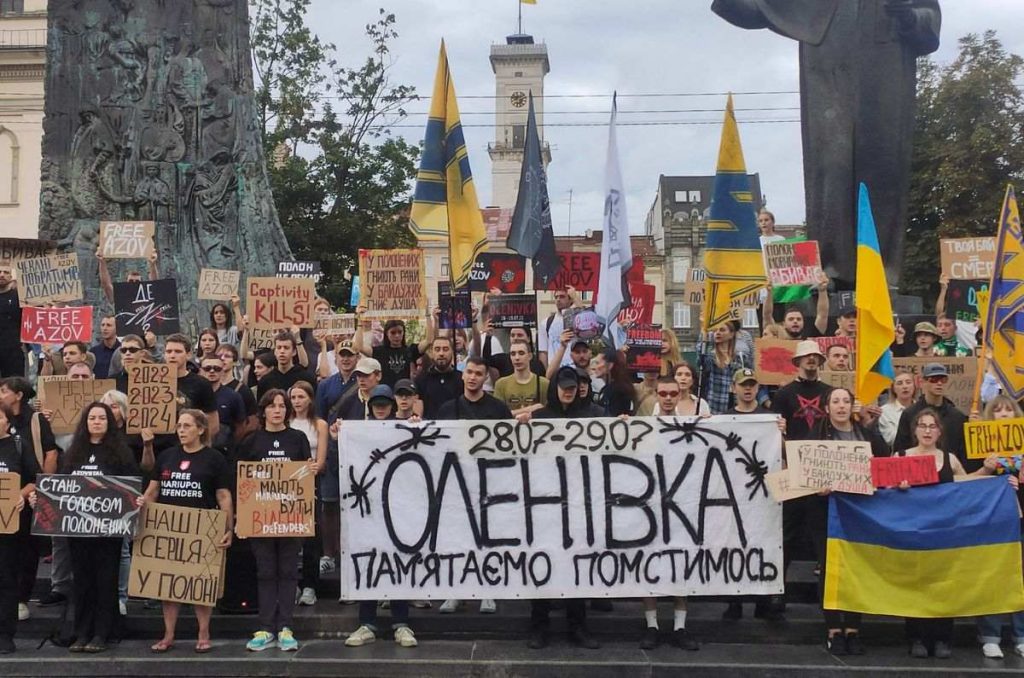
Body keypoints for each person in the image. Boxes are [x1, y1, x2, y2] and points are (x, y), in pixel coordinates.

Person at [36, 402, 139, 653]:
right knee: (81, 581)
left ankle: (102, 633)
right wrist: (40, 498)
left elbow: (132, 485)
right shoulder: (74, 452)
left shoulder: (121, 453)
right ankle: (81, 632)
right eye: (92, 418)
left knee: (106, 581)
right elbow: (60, 487)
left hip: (108, 532)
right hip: (78, 531)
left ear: (109, 423)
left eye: (101, 418)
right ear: (85, 422)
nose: (96, 422)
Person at [139, 410, 233, 654]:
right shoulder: (167, 456)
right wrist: (139, 512)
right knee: (168, 586)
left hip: (202, 529)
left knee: (200, 585)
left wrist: (228, 527)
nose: (181, 430)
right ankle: (168, 634)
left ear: (201, 430)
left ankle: (203, 633)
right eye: (179, 426)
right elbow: (152, 491)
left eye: (187, 426)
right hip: (168, 529)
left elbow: (224, 496)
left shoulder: (214, 459)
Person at [525, 366, 600, 650]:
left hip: (580, 506)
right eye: (564, 386)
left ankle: (577, 626)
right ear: (555, 387)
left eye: (573, 386)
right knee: (541, 566)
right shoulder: (540, 418)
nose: (568, 391)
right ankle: (538, 625)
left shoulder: (593, 417)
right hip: (545, 506)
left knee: (575, 568)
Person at [809, 388, 887, 655]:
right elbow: (802, 473)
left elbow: (883, 464)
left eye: (846, 401)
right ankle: (832, 629)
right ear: (826, 407)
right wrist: (816, 486)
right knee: (830, 570)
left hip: (859, 512)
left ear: (852, 406)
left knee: (857, 569)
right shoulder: (816, 435)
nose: (841, 406)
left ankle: (853, 628)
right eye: (835, 401)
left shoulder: (865, 434)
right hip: (825, 513)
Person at [344, 384, 419, 649]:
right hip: (368, 509)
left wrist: (417, 426)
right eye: (376, 402)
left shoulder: (405, 427)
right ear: (370, 405)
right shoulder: (358, 431)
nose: (380, 407)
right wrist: (338, 434)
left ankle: (401, 623)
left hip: (398, 508)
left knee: (398, 561)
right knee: (369, 562)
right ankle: (367, 623)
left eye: (384, 403)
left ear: (392, 405)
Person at [239, 390, 313, 652]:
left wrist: (311, 470)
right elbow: (242, 481)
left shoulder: (298, 438)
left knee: (289, 572)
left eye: (282, 406)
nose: (278, 410)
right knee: (266, 572)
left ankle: (285, 627)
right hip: (261, 518)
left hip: (291, 517)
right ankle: (266, 627)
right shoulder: (251, 441)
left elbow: (306, 473)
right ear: (264, 411)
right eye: (272, 406)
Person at [437, 358, 512, 614]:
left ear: (484, 378)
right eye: (469, 372)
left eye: (478, 373)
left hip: (489, 485)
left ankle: (487, 589)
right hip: (456, 485)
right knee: (457, 539)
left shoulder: (498, 409)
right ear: (462, 375)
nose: (472, 377)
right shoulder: (447, 408)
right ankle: (455, 591)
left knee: (487, 539)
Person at [893, 409, 970, 659]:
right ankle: (916, 637)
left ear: (939, 431)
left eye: (932, 426)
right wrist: (896, 487)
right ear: (914, 430)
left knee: (944, 586)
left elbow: (968, 490)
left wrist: (992, 474)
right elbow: (881, 491)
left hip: (944, 534)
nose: (927, 430)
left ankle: (942, 638)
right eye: (922, 426)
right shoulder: (900, 457)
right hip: (912, 533)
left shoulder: (951, 460)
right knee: (914, 585)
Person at [638, 376, 699, 651]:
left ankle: (680, 627)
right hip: (649, 507)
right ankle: (651, 626)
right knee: (649, 566)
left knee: (681, 566)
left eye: (673, 393)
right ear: (657, 395)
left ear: (679, 394)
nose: (668, 398)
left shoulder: (692, 425)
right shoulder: (642, 426)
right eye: (663, 393)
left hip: (681, 507)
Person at [722, 369, 786, 622]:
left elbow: (782, 453)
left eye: (752, 385)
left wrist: (782, 434)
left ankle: (764, 601)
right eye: (743, 385)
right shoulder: (724, 418)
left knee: (765, 544)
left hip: (763, 494)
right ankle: (734, 602)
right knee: (733, 544)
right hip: (733, 492)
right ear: (733, 388)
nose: (748, 389)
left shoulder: (769, 418)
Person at [969, 395, 1024, 659]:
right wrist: (986, 469)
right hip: (990, 519)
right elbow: (967, 480)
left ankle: (1021, 634)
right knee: (991, 574)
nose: (1003, 414)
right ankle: (990, 635)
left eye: (1008, 410)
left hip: (1019, 518)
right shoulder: (981, 445)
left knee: (1021, 576)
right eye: (998, 410)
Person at [0, 377, 58, 622]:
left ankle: (21, 599)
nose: (0, 394)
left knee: (25, 550)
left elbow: (49, 453)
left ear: (19, 394)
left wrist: (37, 489)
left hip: (25, 500)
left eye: (3, 390)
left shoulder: (35, 421)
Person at [288, 381, 328, 607]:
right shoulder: (287, 422)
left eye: (301, 397)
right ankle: (291, 584)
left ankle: (310, 586)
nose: (297, 402)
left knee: (312, 536)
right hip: (287, 486)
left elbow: (321, 460)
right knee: (289, 537)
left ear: (310, 399)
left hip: (311, 483)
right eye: (293, 397)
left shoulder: (319, 424)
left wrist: (315, 466)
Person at [893, 362, 970, 470]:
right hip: (916, 474)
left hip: (949, 476)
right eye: (933, 380)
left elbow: (964, 455)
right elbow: (901, 450)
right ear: (922, 382)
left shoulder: (957, 417)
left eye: (943, 380)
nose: (939, 383)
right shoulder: (909, 414)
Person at [0, 405, 32, 653]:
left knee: (6, 579)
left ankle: (5, 634)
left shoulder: (19, 446)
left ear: (7, 422)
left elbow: (34, 479)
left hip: (8, 525)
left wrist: (20, 495)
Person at [157, 334, 220, 453]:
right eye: (169, 351)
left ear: (188, 354)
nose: (172, 355)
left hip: (190, 449)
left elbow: (213, 423)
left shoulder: (201, 384)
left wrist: (199, 447)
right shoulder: (153, 381)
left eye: (178, 351)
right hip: (159, 447)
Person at [353, 316, 425, 387]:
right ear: (387, 334)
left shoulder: (410, 350)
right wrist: (360, 322)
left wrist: (430, 317)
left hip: (404, 393)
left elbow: (429, 341)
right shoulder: (380, 351)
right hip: (385, 393)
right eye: (393, 333)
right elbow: (360, 347)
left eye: (400, 332)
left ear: (404, 333)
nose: (397, 336)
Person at [698, 320, 749, 414]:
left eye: (722, 330)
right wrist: (704, 334)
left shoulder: (740, 357)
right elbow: (701, 359)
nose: (717, 333)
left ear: (731, 334)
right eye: (715, 330)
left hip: (735, 404)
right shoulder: (712, 356)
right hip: (715, 405)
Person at [762, 272, 830, 339]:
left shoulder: (812, 335)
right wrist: (769, 292)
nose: (795, 321)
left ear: (803, 323)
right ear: (784, 324)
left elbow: (822, 315)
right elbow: (767, 315)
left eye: (799, 319)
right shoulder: (776, 337)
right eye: (791, 319)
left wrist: (822, 290)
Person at [493, 339, 548, 422]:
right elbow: (498, 415)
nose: (517, 358)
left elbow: (549, 413)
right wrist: (530, 409)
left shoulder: (544, 383)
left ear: (530, 356)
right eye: (513, 354)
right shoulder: (501, 384)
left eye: (521, 353)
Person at [200, 355, 245, 453]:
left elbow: (240, 426)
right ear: (201, 371)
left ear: (222, 371)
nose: (212, 371)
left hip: (224, 450)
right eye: (207, 368)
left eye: (217, 368)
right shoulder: (194, 394)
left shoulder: (233, 396)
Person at [256, 331, 316, 401]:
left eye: (286, 348)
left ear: (294, 352)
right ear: (275, 351)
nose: (282, 351)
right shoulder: (265, 381)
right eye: (279, 347)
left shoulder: (306, 378)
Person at [414, 336, 462, 419]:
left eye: (445, 349)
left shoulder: (462, 378)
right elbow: (417, 411)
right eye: (437, 349)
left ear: (452, 352)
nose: (441, 353)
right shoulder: (421, 380)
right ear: (431, 353)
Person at [537, 286, 581, 369]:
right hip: (555, 371)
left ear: (570, 299)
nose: (558, 299)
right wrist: (546, 374)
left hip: (575, 369)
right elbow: (543, 352)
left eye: (562, 296)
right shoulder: (546, 323)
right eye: (556, 297)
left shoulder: (577, 318)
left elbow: (588, 322)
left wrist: (576, 298)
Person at [877, 371, 916, 446]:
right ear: (893, 388)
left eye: (908, 382)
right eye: (899, 383)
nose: (905, 386)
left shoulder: (923, 409)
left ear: (914, 386)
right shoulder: (884, 412)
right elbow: (891, 439)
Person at [593, 349, 636, 417]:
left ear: (610, 365)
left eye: (597, 363)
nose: (594, 367)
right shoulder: (607, 388)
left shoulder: (619, 390)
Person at [0, 264, 24, 378]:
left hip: (13, 352)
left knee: (14, 386)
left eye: (6, 272)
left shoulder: (20, 298)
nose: (2, 275)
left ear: (11, 276)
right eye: (0, 272)